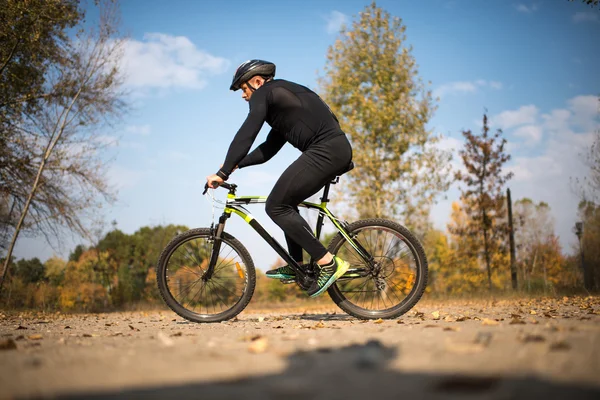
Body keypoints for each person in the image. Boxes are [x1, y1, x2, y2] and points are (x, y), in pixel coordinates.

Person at [205, 59, 353, 298]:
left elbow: (248, 131)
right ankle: (299, 265)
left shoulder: (267, 92)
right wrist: (235, 165)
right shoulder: (281, 104)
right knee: (286, 203)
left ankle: (328, 262)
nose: (244, 96)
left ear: (257, 81)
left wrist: (222, 173)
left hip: (327, 149)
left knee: (276, 205)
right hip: (331, 149)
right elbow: (268, 150)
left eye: (244, 89)